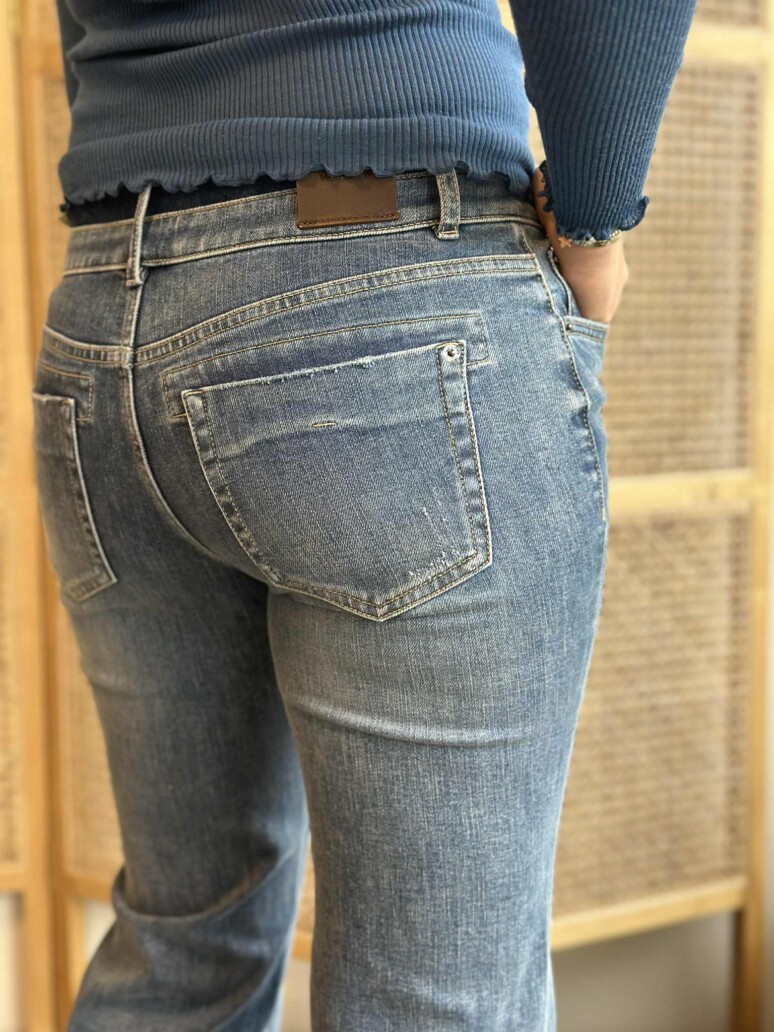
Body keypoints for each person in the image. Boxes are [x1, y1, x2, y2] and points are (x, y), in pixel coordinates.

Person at [34, 1, 696, 1029]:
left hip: (106, 308)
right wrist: (595, 224)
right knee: (431, 1001)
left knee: (182, 952)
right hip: (394, 284)